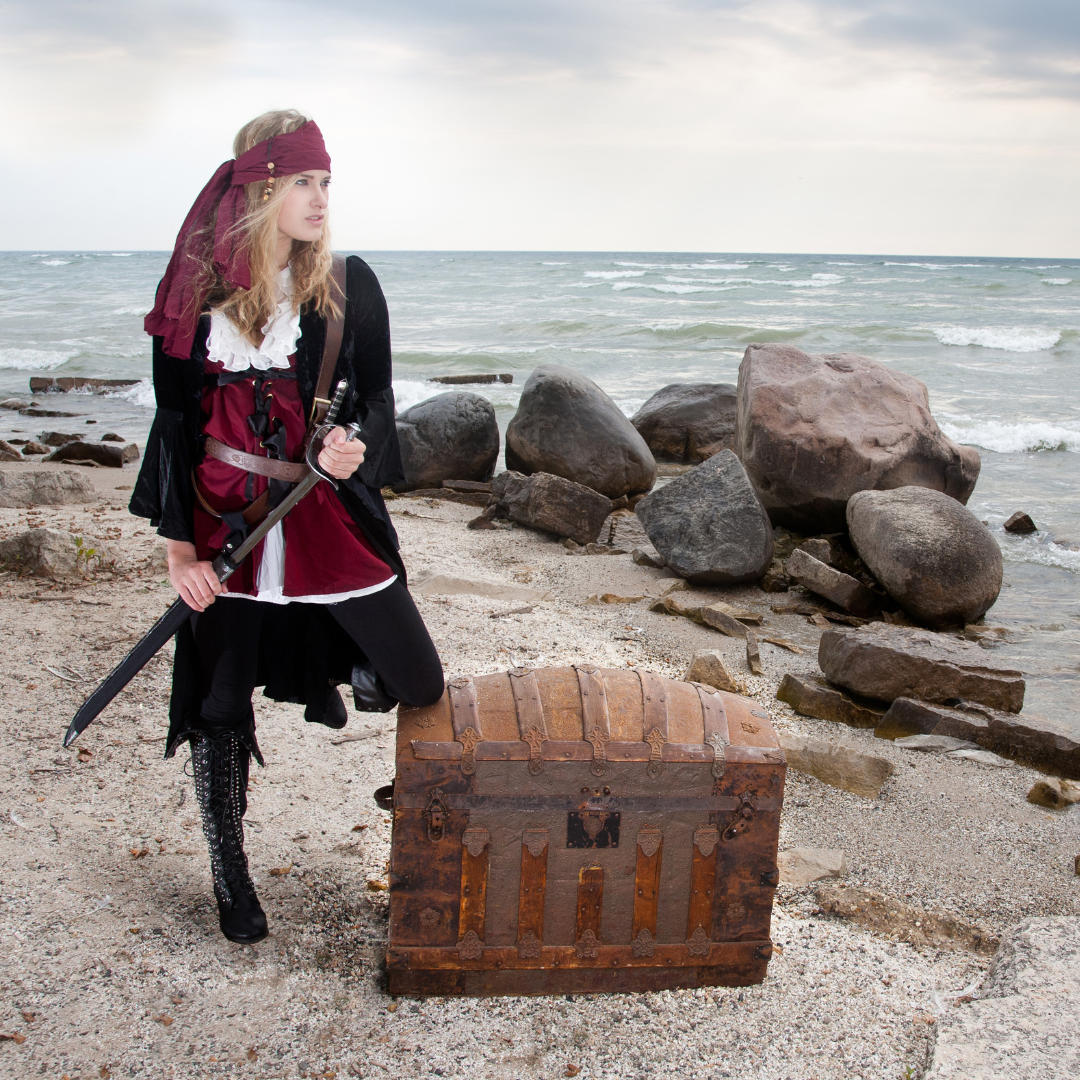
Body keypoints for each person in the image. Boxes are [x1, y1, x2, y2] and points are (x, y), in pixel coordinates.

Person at [130, 109, 444, 945]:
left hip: (318, 512)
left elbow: (378, 401)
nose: (318, 199)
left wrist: (354, 447)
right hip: (222, 519)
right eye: (301, 182)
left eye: (325, 182)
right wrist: (177, 553)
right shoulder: (191, 296)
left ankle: (343, 678)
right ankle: (230, 874)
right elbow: (172, 426)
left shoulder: (348, 283)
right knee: (220, 700)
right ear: (256, 191)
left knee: (419, 680)